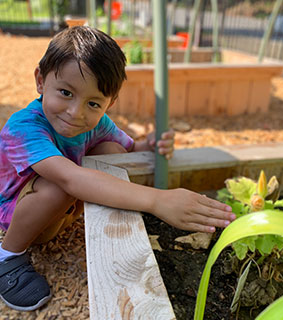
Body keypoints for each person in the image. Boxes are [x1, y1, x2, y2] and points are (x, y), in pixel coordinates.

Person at [0, 26, 235, 311]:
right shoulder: (24, 126)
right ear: (40, 80)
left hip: (64, 202)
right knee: (58, 187)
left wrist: (152, 145)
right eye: (65, 92)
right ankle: (8, 256)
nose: (76, 112)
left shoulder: (96, 123)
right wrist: (158, 200)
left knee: (112, 151)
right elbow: (69, 178)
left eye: (93, 103)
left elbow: (129, 148)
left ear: (109, 103)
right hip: (13, 210)